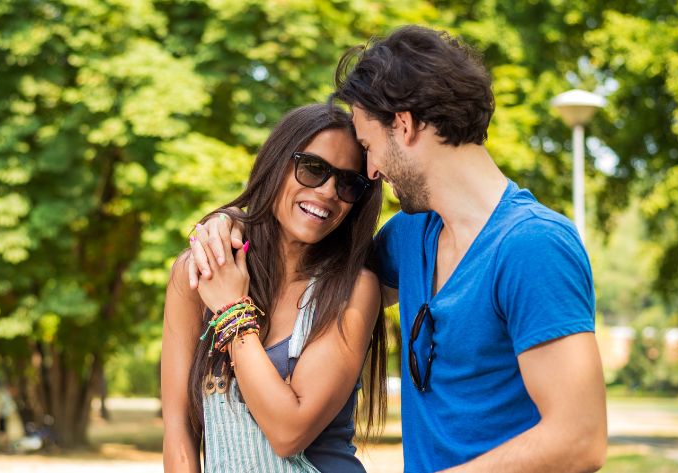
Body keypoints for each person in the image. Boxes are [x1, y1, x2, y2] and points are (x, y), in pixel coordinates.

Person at [194, 25, 608, 473]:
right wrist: (231, 223)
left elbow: (579, 439)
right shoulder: (411, 235)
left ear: (404, 126)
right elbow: (309, 259)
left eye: (368, 146)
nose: (371, 170)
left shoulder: (534, 245)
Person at [162, 104, 387, 472]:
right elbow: (178, 429)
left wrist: (233, 311)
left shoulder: (353, 290)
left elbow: (289, 432)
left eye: (348, 183)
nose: (329, 191)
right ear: (276, 165)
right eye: (312, 168)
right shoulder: (199, 272)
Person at [0, 386, 15, 452]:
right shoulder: (6, 397)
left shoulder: (6, 397)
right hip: (2, 416)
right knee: (2, 432)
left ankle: (2, 447)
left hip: (3, 416)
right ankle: (1, 447)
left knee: (2, 432)